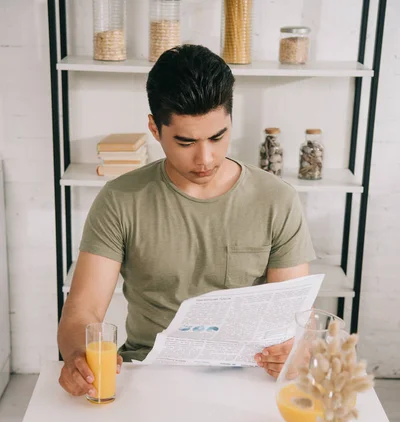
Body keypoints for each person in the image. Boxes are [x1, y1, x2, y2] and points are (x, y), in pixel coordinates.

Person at [58, 44, 315, 397]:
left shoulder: (277, 200)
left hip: (248, 377)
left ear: (229, 121)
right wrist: (77, 357)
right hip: (146, 374)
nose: (205, 158)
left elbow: (291, 322)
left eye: (217, 136)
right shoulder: (120, 199)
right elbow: (82, 310)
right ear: (154, 128)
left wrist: (291, 350)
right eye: (185, 141)